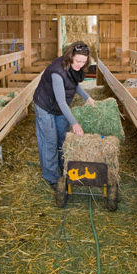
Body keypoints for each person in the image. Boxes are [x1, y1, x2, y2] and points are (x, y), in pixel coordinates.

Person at [33, 41, 95, 190]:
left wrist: (88, 98)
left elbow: (74, 84)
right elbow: (61, 101)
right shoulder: (57, 71)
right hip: (45, 105)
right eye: (78, 61)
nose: (80, 64)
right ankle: (52, 177)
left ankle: (64, 167)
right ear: (71, 56)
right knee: (50, 141)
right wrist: (75, 123)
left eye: (83, 61)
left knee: (63, 138)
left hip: (60, 106)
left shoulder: (76, 67)